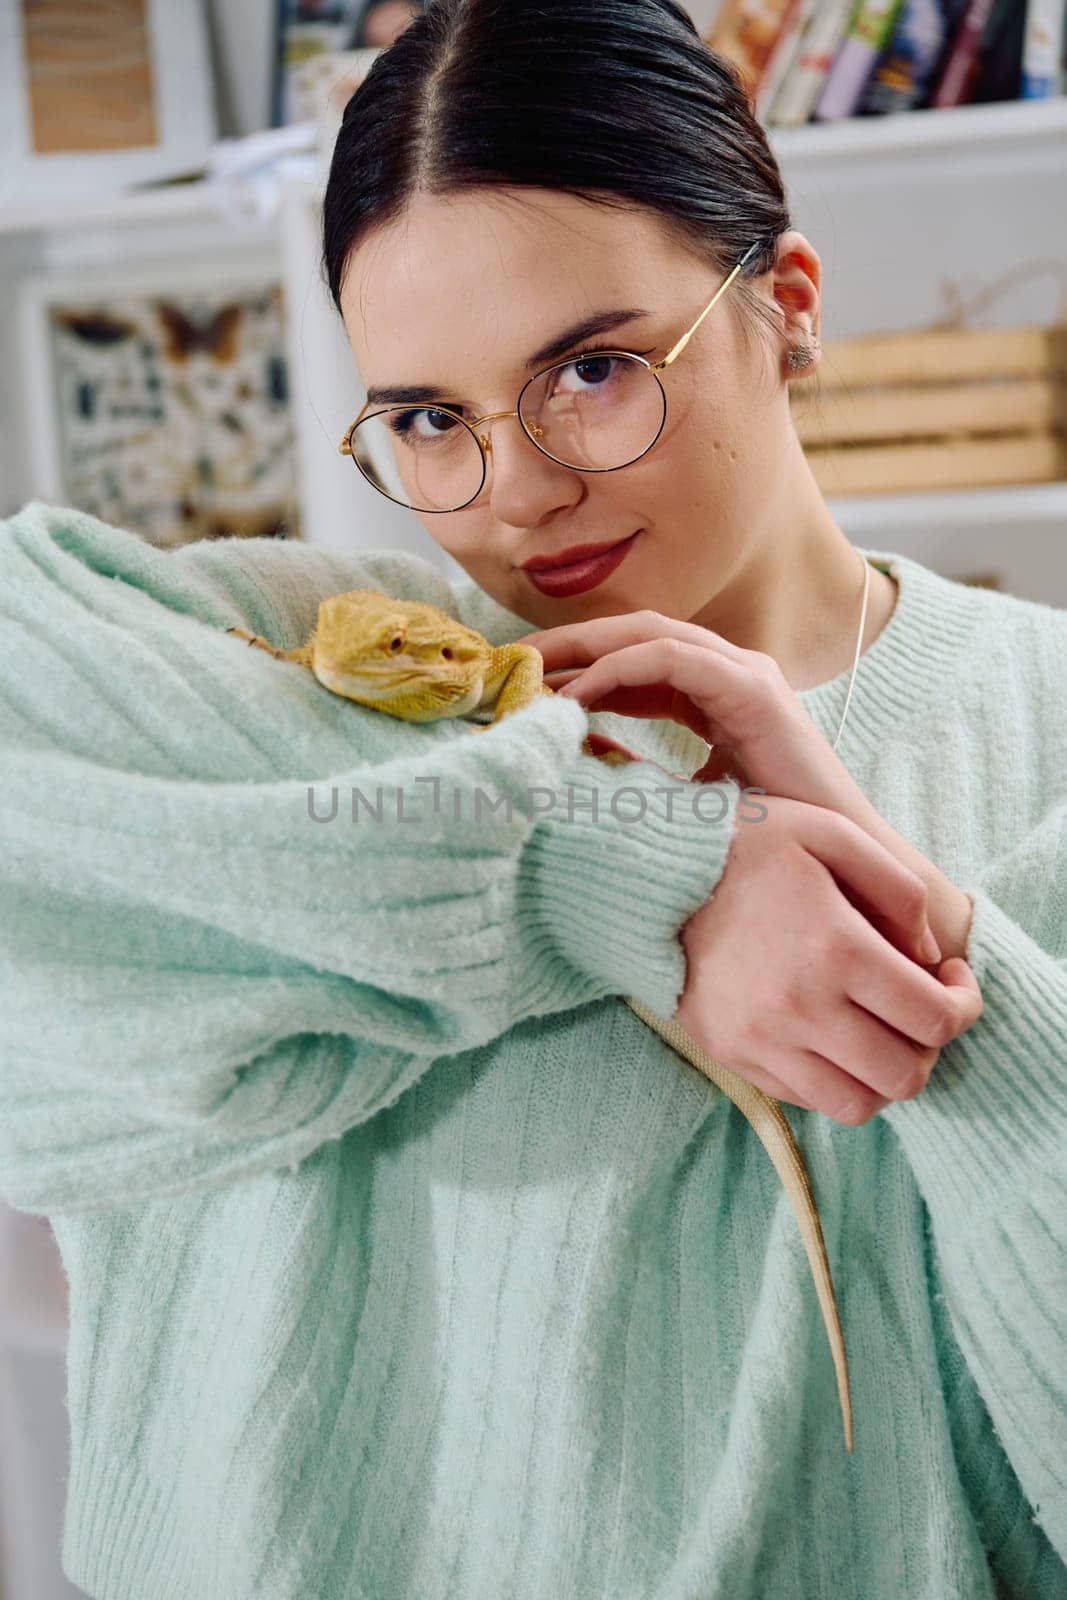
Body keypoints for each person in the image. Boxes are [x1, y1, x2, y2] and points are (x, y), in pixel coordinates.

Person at [0, 1, 1063, 1596]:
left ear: (787, 308)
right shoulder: (318, 673)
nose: (516, 491)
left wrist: (919, 942)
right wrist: (639, 860)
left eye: (591, 369)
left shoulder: (1045, 721)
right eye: (427, 419)